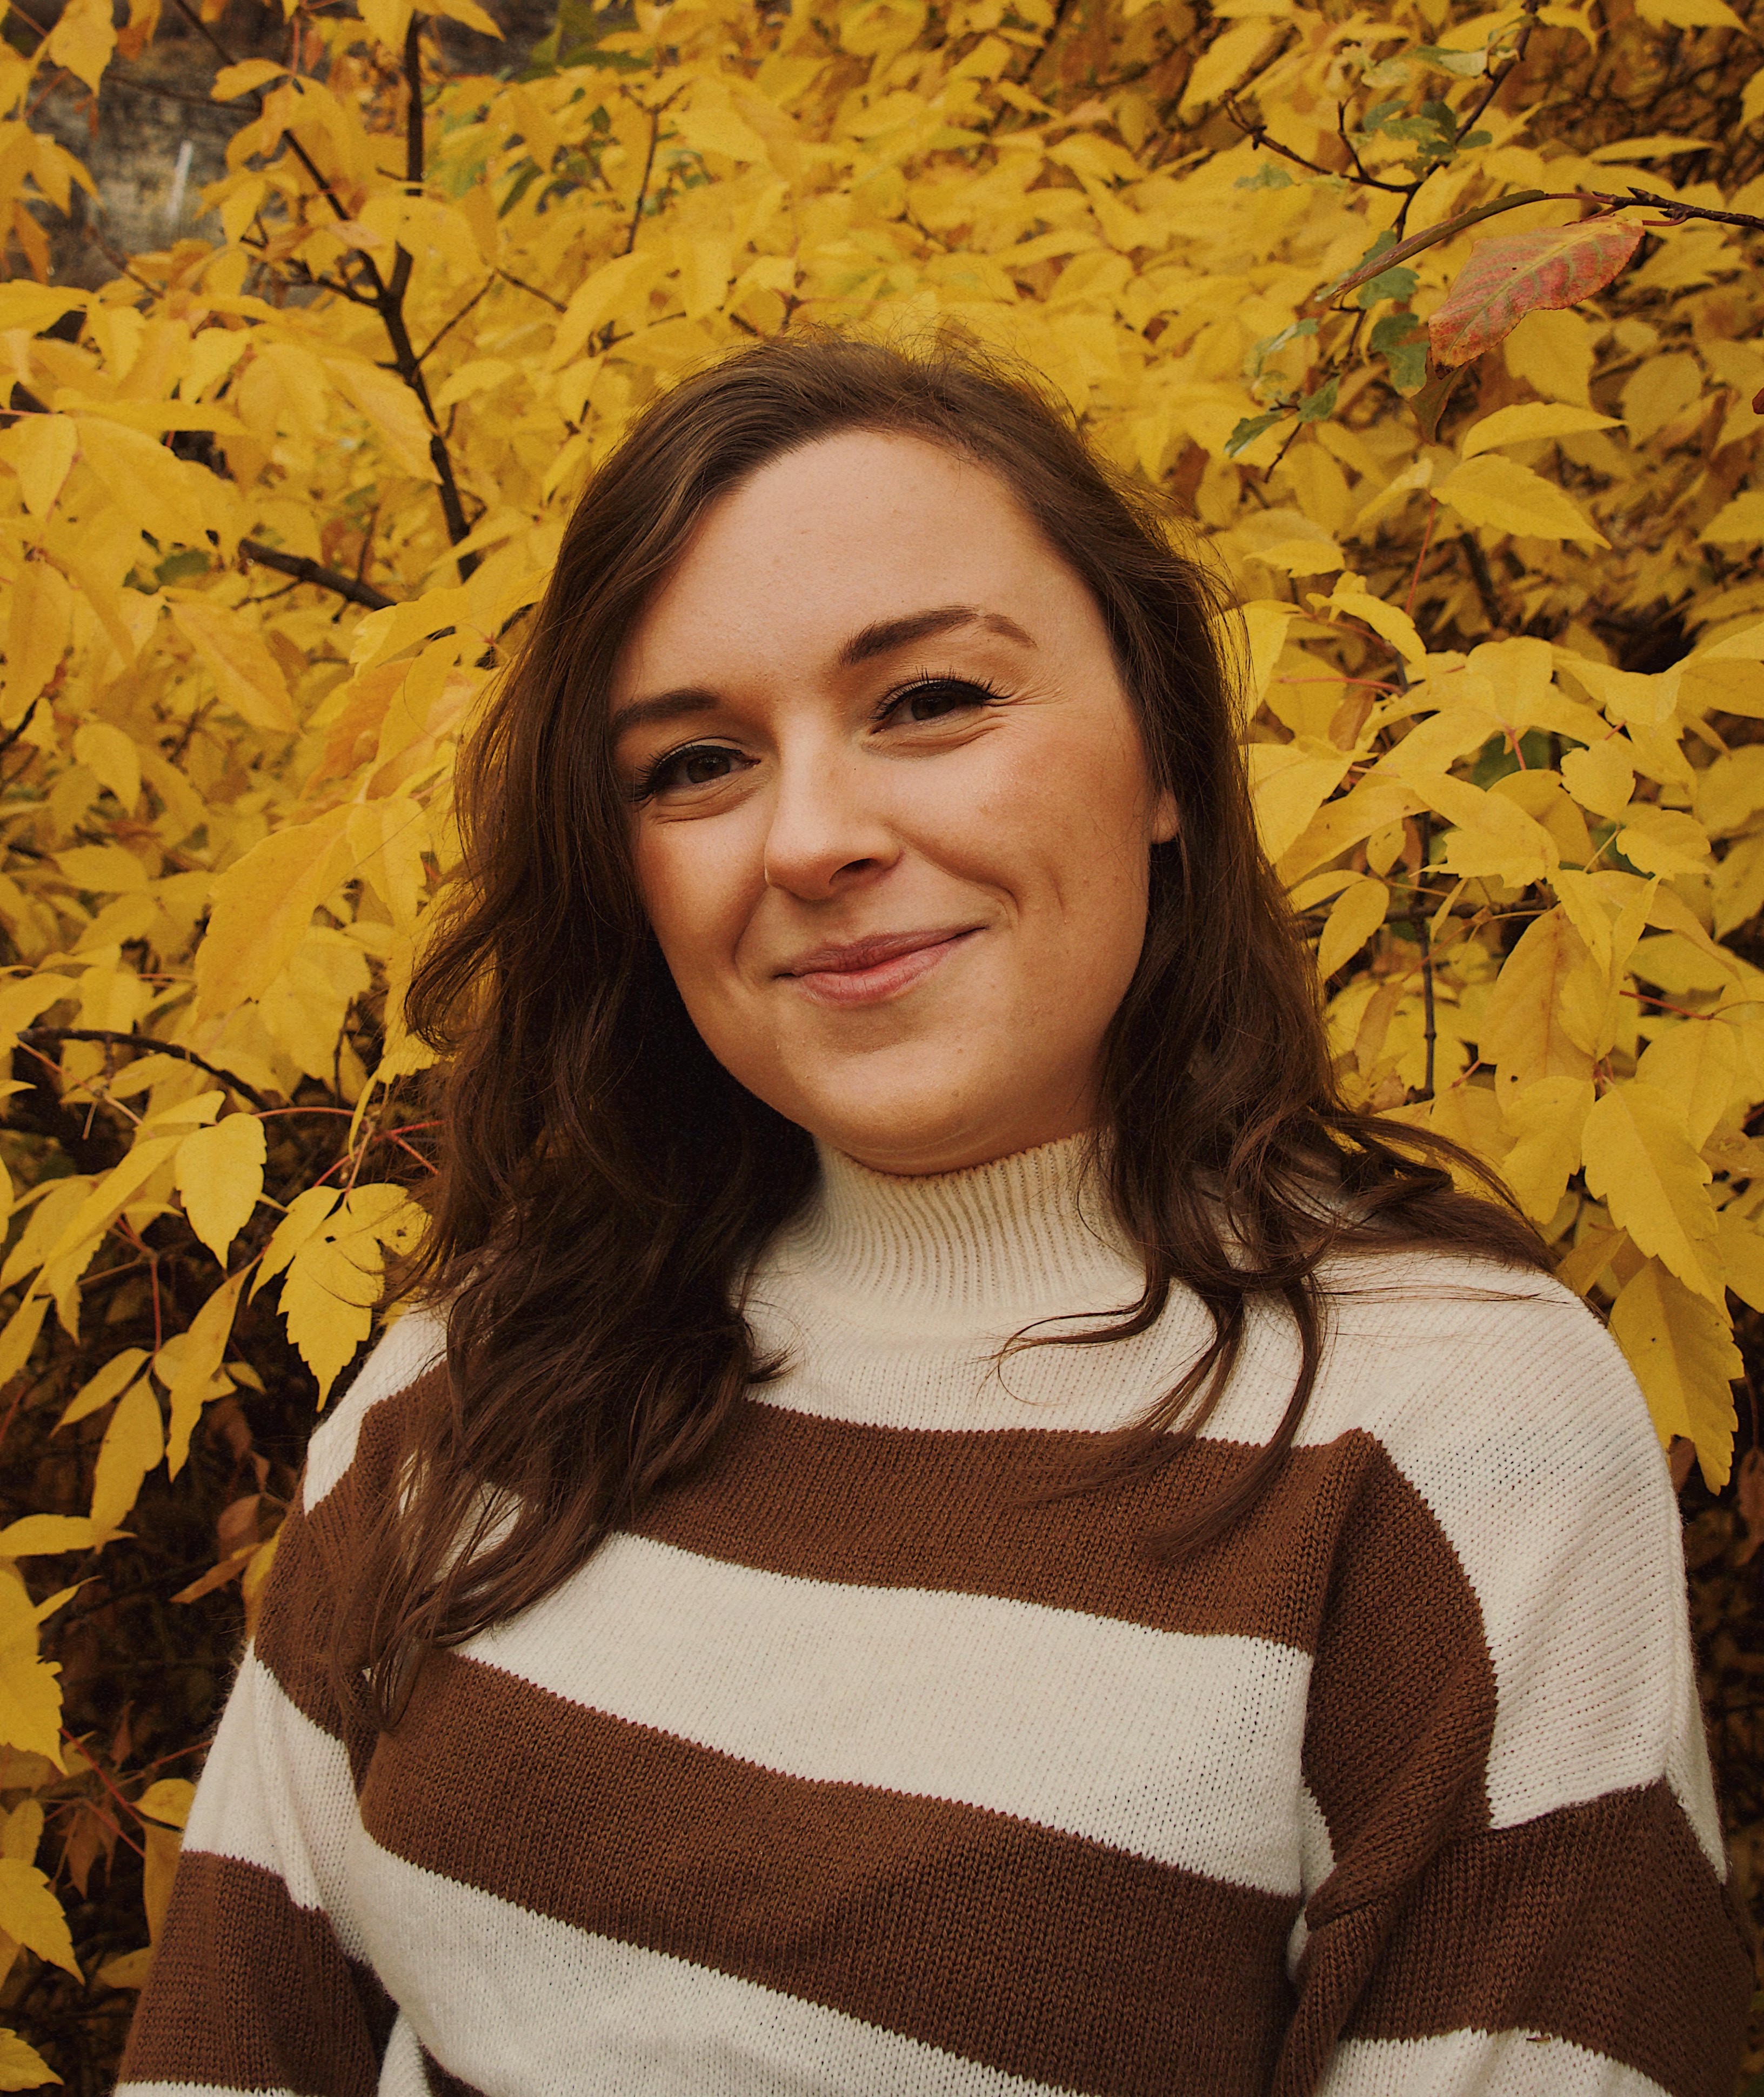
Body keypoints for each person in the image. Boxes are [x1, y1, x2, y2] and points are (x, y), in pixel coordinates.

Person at [119, 331, 1748, 2097]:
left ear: (1164, 761)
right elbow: (233, 2040)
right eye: (693, 766)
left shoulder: (1447, 1428)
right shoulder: (474, 1372)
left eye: (932, 702)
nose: (811, 837)